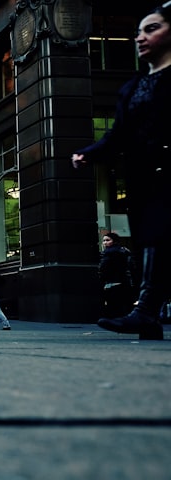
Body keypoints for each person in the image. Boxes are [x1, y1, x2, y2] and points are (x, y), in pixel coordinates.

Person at [72, 6, 170, 340]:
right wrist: (88, 154)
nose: (141, 37)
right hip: (146, 179)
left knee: (158, 239)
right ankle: (149, 318)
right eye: (139, 31)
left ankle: (144, 313)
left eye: (152, 29)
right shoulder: (133, 87)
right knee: (150, 242)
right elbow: (119, 134)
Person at [98, 232, 136, 319]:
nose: (105, 243)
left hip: (112, 283)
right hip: (124, 282)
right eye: (104, 240)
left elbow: (103, 269)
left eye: (108, 240)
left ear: (114, 241)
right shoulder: (125, 251)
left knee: (113, 306)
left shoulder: (108, 253)